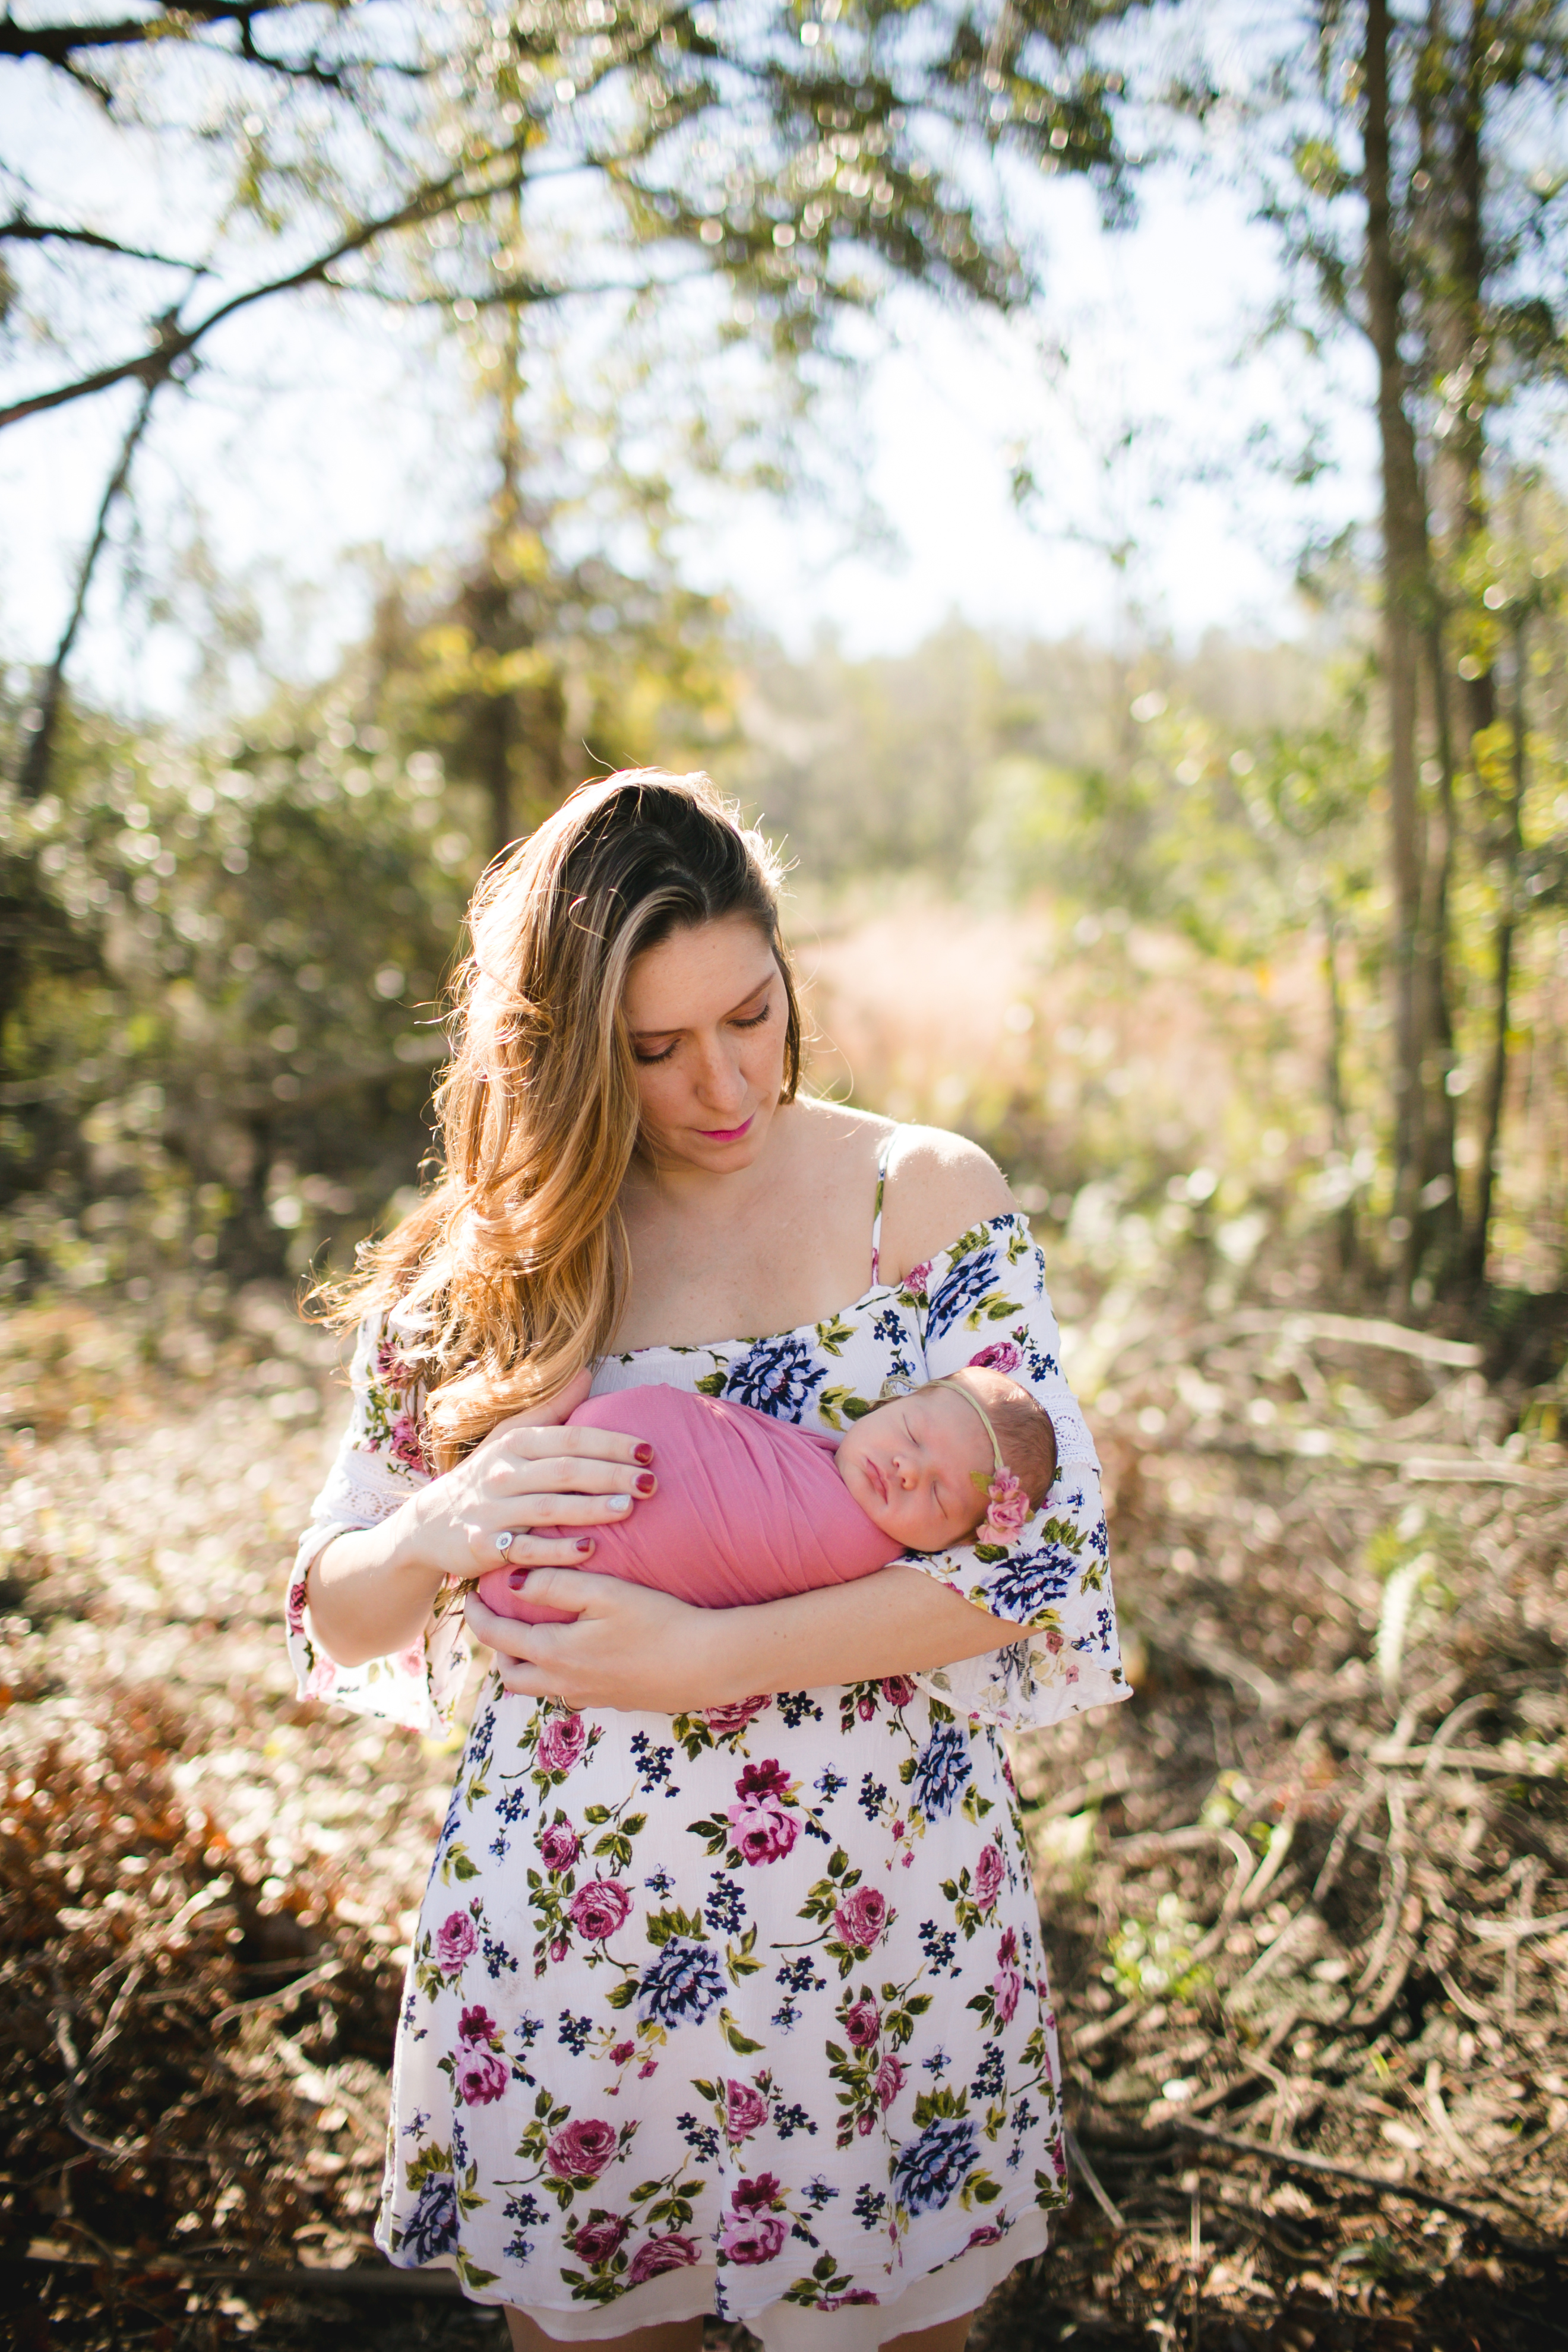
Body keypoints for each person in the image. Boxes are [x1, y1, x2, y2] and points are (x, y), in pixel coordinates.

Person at [287, 769, 1127, 2352]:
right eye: (656, 1051)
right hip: (579, 1936)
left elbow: (1034, 1564)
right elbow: (335, 1603)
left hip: (885, 1922)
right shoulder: (513, 1257)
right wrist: (434, 1528)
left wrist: (713, 1660)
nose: (724, 1086)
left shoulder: (923, 1198)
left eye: (752, 1014)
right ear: (565, 1052)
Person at [473, 1364, 1058, 1626]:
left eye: (938, 1496)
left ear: (956, 1543)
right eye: (909, 1432)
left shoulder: (858, 1563)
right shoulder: (822, 1456)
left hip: (546, 1548)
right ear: (893, 1401)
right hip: (538, 1481)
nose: (908, 1470)